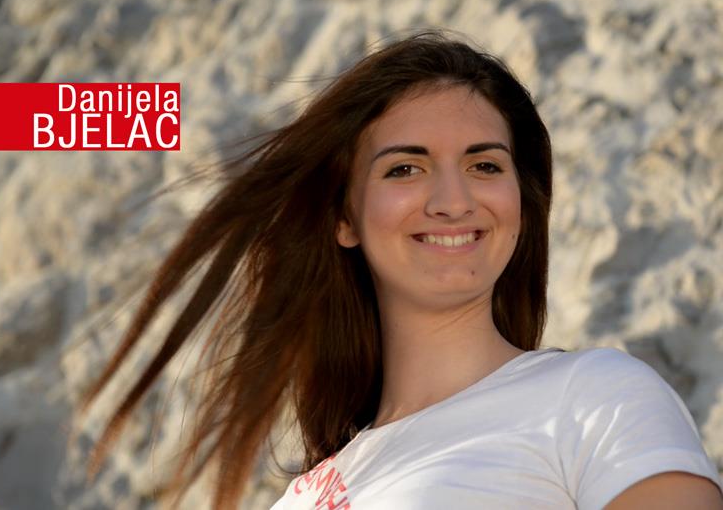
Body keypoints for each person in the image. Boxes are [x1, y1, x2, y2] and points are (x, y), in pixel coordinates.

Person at [79, 31, 723, 509]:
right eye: (405, 168)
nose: (453, 200)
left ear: (521, 206)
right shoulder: (304, 493)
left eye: (485, 165)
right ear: (345, 218)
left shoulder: (595, 398)